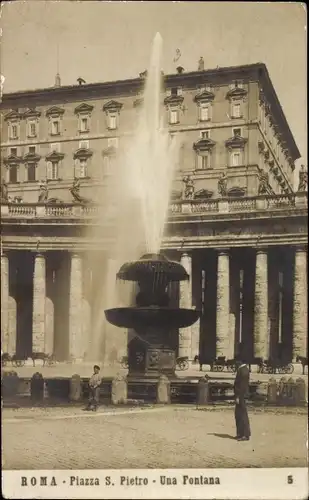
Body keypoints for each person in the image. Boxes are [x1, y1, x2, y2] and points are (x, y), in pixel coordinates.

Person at [234, 359, 251, 441]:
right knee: (238, 414)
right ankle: (240, 433)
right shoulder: (243, 369)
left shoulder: (242, 371)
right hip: (241, 395)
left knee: (242, 415)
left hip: (241, 396)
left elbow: (241, 386)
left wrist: (237, 396)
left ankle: (245, 434)